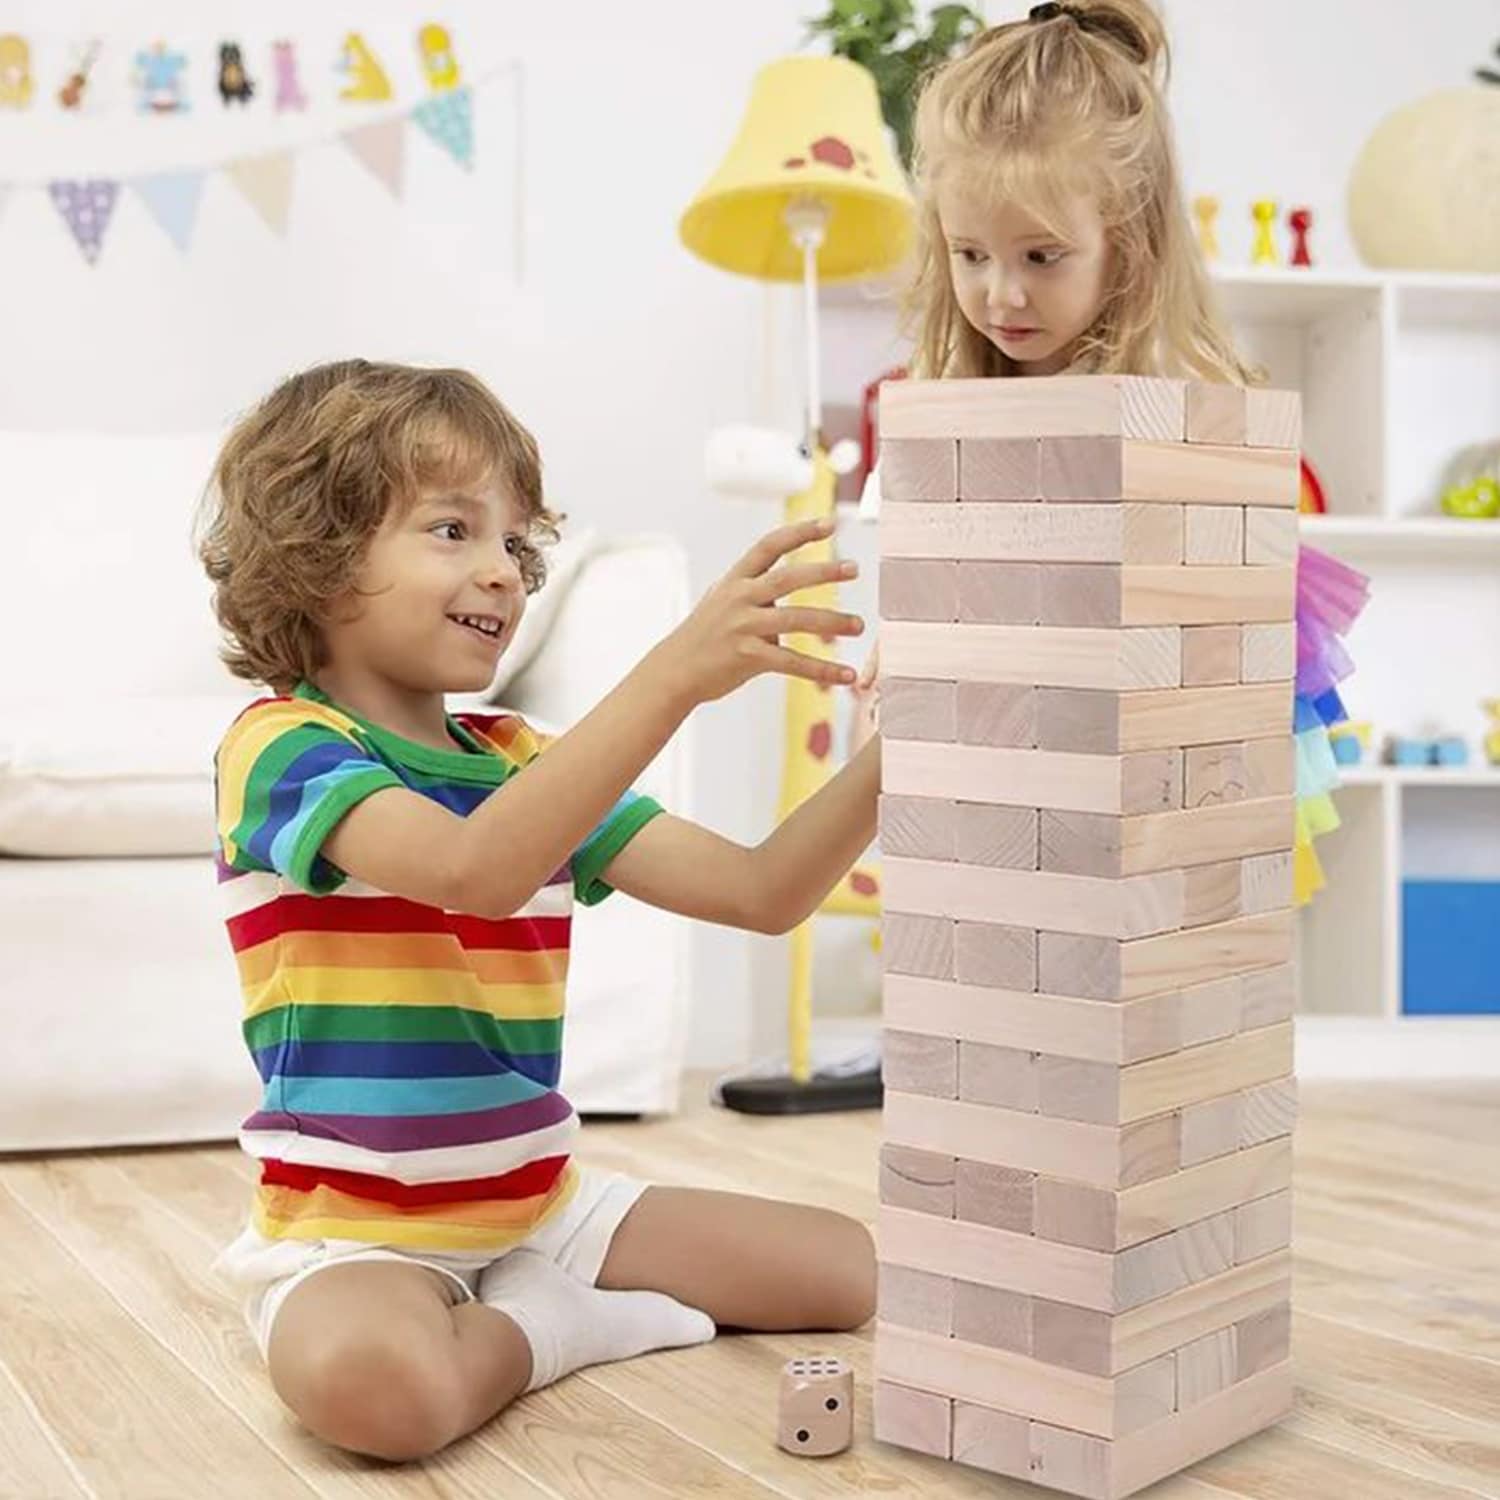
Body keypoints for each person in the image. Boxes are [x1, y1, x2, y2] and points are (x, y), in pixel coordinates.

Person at [198, 359, 879, 1463]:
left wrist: (907, 750)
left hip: (538, 1208)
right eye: (453, 530)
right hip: (354, 1237)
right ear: (318, 556)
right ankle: (552, 1330)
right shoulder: (282, 747)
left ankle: (528, 1289)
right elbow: (477, 870)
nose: (505, 574)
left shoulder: (523, 761)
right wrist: (672, 676)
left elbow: (765, 892)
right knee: (381, 1397)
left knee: (845, 1270)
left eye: (516, 544)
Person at [848, 0, 1257, 754]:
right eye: (971, 255)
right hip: (1017, 735)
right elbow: (951, 578)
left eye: (1041, 257)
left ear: (1127, 243)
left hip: (1147, 730)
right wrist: (910, 641)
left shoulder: (1184, 399)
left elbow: (1199, 616)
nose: (1002, 294)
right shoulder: (956, 396)